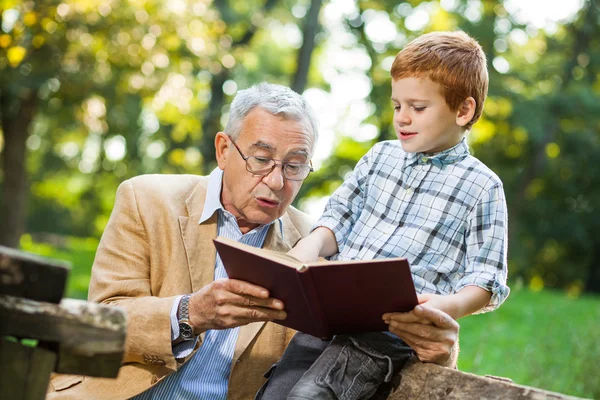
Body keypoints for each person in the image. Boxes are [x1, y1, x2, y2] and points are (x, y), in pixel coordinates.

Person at [257, 31, 510, 400]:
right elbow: (338, 217)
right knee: (276, 391)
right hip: (330, 310)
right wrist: (307, 249)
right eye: (397, 106)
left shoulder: (482, 186)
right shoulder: (379, 158)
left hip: (388, 329)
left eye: (418, 108)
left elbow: (486, 279)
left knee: (311, 396)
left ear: (463, 110)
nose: (403, 118)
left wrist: (445, 306)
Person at [47, 82, 321, 400]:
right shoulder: (146, 199)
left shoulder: (312, 244)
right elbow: (100, 325)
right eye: (261, 159)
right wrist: (189, 313)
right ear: (224, 150)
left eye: (295, 166)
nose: (276, 181)